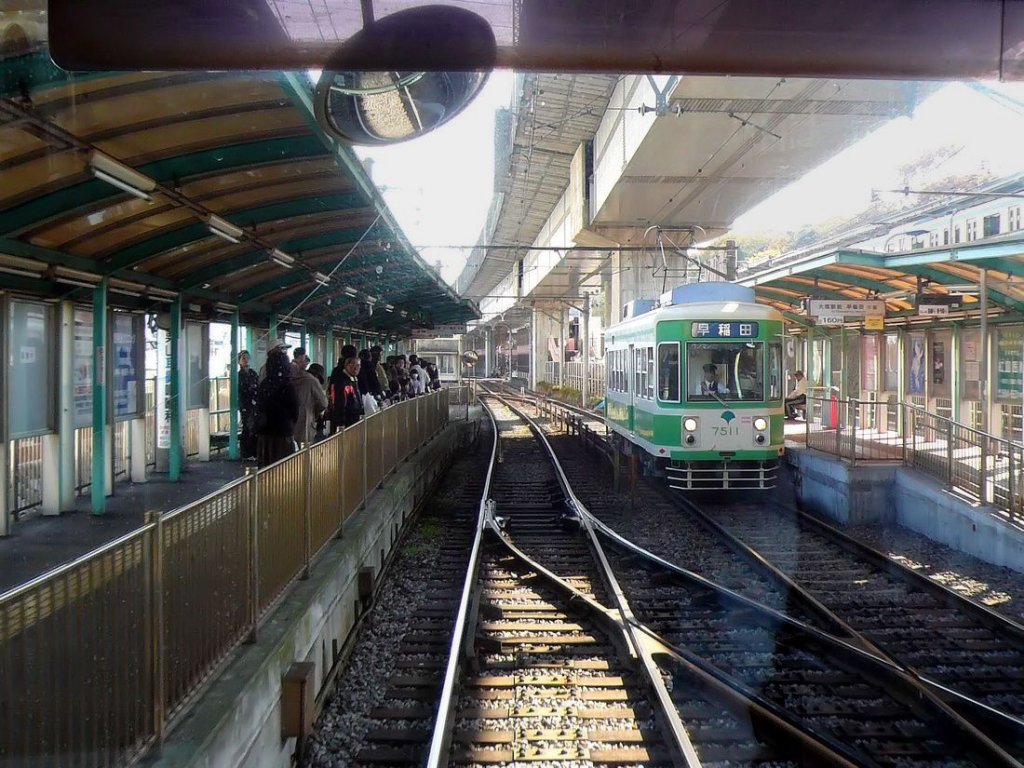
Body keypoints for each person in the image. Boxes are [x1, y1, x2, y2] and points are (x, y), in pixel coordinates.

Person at [255, 347, 299, 467]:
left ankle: (265, 485)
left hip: (265, 435)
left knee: (266, 466)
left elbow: (259, 406)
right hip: (283, 433)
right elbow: (295, 411)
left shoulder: (264, 384)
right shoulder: (287, 386)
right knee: (283, 468)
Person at [292, 353, 328, 446]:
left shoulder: (294, 378)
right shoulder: (313, 381)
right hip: (306, 422)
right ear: (317, 375)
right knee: (305, 452)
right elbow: (323, 403)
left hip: (290, 422)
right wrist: (315, 412)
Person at [330, 355, 364, 429]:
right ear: (346, 366)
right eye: (352, 365)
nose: (356, 368)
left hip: (354, 418)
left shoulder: (354, 379)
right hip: (346, 421)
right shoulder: (342, 381)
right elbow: (340, 403)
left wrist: (361, 412)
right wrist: (341, 423)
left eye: (358, 365)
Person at [237, 350, 259, 460]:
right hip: (245, 405)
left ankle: (253, 452)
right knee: (247, 427)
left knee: (254, 427)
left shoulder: (253, 373)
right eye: (243, 358)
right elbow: (239, 392)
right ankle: (246, 453)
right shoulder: (239, 376)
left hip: (254, 404)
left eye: (247, 358)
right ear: (239, 361)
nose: (246, 360)